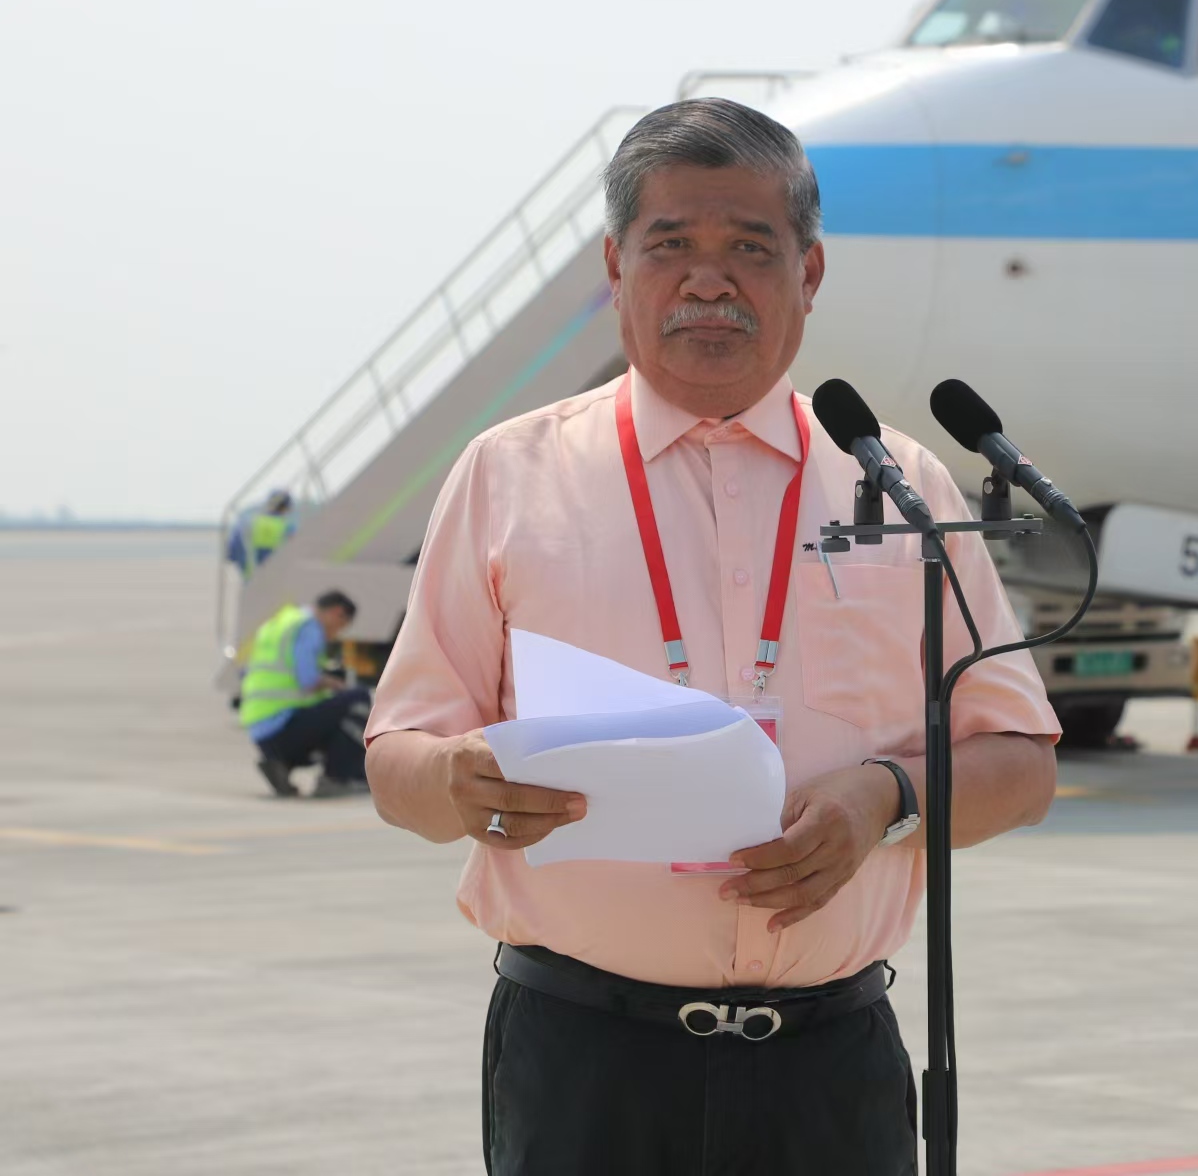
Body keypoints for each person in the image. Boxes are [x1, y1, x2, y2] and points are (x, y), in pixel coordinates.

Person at [365, 98, 1060, 1175]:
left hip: (831, 1067)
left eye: (749, 247)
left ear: (809, 272)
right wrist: (453, 777)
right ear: (615, 265)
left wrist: (891, 796)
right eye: (671, 246)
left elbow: (1019, 760)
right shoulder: (508, 474)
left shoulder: (901, 486)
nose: (708, 280)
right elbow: (396, 754)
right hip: (585, 1061)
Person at [239, 590, 371, 797]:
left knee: (334, 715)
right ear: (337, 613)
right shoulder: (310, 628)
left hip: (262, 730)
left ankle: (283, 764)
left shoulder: (284, 622)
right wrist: (336, 685)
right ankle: (338, 776)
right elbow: (308, 679)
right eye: (341, 627)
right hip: (282, 725)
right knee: (357, 699)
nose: (335, 634)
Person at [226, 488, 296, 577]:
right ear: (287, 508)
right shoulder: (287, 527)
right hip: (276, 577)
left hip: (250, 576)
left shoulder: (251, 522)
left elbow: (233, 549)